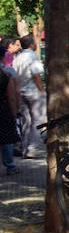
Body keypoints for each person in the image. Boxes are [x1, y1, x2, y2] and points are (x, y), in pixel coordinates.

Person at [12, 35, 47, 159]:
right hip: (33, 92)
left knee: (26, 121)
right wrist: (42, 91)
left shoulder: (17, 57)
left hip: (20, 91)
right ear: (32, 44)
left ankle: (25, 148)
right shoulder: (32, 56)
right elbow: (36, 76)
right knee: (38, 120)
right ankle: (33, 148)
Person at [0, 38, 20, 174]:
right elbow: (12, 96)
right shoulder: (8, 73)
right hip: (3, 109)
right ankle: (10, 166)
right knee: (6, 138)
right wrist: (14, 112)